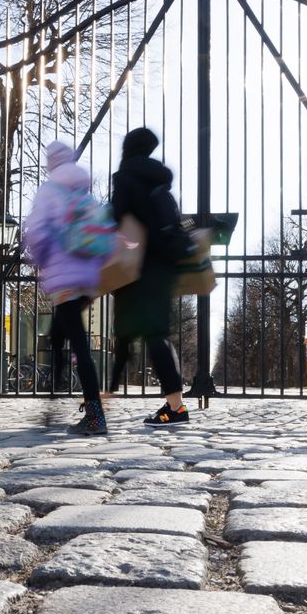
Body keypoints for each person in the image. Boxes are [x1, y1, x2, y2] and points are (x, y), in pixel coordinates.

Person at [23, 140, 107, 435]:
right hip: (86, 280)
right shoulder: (85, 194)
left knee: (78, 345)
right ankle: (52, 404)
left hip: (63, 278)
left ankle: (95, 414)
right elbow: (102, 233)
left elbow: (36, 232)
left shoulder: (49, 192)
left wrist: (39, 259)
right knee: (58, 338)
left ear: (51, 162)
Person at [111, 127, 191, 426]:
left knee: (127, 333)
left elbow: (117, 219)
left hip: (137, 266)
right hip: (163, 267)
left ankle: (102, 402)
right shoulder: (161, 181)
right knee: (156, 335)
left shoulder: (126, 177)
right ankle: (175, 406)